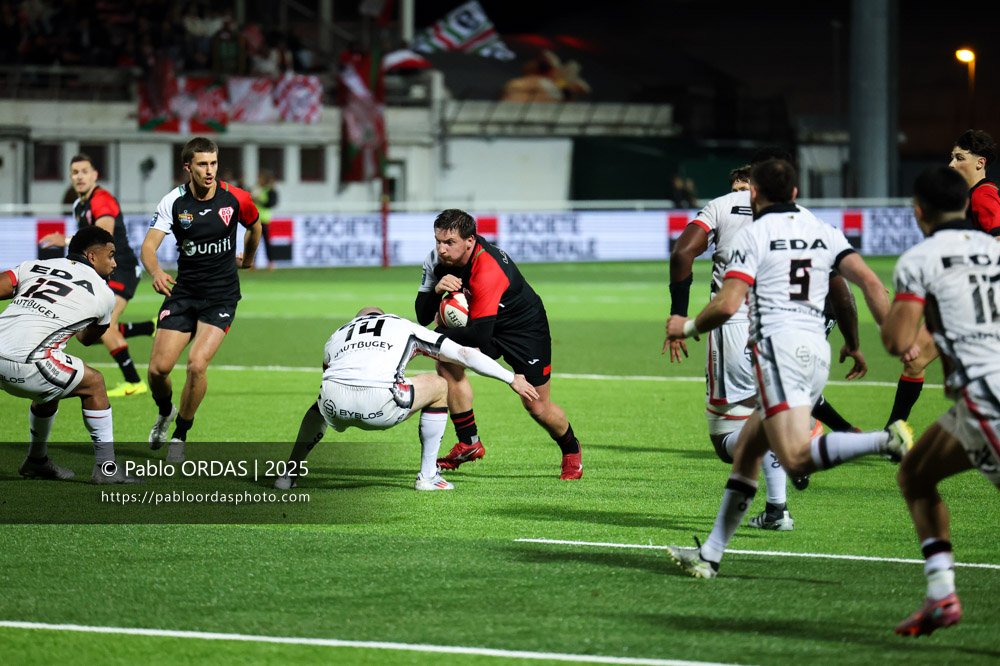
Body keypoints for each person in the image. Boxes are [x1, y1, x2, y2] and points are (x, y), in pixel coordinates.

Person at [663, 159, 912, 579]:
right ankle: (710, 556)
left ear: (754, 194)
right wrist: (869, 342)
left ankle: (882, 441)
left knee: (791, 457)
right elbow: (868, 285)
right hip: (817, 348)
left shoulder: (753, 234)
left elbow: (726, 305)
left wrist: (684, 326)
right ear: (795, 193)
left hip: (777, 349)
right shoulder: (824, 231)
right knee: (748, 453)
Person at [882, 166, 999, 636]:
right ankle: (940, 596)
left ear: (918, 212)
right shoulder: (995, 248)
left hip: (988, 396)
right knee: (915, 474)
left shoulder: (919, 260)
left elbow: (896, 341)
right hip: (974, 399)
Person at [276, 307, 540, 491]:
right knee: (439, 385)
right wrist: (510, 377)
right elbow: (464, 355)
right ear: (384, 316)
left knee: (320, 403)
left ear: (356, 321)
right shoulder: (402, 326)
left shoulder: (338, 334)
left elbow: (328, 374)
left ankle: (288, 474)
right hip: (381, 406)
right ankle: (428, 477)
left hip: (335, 406)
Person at [414, 209, 584, 479]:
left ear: (470, 241)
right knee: (446, 362)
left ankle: (571, 449)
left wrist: (430, 341)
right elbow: (422, 316)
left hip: (524, 329)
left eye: (449, 242)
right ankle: (469, 443)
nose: (441, 249)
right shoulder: (436, 261)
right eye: (438, 241)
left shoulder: (487, 269)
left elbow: (479, 337)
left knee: (537, 407)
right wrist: (436, 292)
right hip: (483, 321)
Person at [141, 136, 261, 460]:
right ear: (188, 167)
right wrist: (155, 272)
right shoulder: (173, 202)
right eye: (202, 165)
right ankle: (165, 411)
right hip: (184, 293)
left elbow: (255, 224)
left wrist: (248, 259)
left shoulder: (235, 197)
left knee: (196, 365)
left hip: (221, 297)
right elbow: (148, 247)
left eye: (214, 164)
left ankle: (180, 433)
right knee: (157, 370)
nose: (210, 171)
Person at [0, 226, 140, 484]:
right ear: (92, 257)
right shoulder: (104, 294)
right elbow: (86, 339)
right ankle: (106, 470)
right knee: (94, 383)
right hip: (30, 364)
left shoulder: (33, 265)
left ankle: (37, 461)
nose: (114, 263)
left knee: (53, 387)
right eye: (110, 255)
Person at [883, 129, 1000, 429]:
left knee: (916, 361)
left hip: (972, 304)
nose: (952, 164)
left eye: (960, 158)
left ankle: (892, 433)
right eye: (951, 157)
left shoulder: (983, 195)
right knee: (916, 362)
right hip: (969, 302)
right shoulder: (971, 197)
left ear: (980, 163)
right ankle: (892, 432)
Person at [39, 153, 155, 398]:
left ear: (94, 175)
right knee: (88, 335)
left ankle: (134, 381)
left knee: (107, 324)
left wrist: (66, 241)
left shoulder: (101, 199)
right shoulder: (79, 205)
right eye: (74, 172)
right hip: (103, 270)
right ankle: (147, 327)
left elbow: (103, 237)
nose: (79, 176)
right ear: (70, 177)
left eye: (84, 171)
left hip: (120, 266)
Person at [252, 170, 279, 270]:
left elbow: (270, 203)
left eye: (261, 178)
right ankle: (252, 263)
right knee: (254, 243)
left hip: (265, 220)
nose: (259, 180)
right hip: (255, 220)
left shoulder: (269, 191)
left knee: (267, 243)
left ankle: (270, 262)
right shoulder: (256, 189)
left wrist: (258, 200)